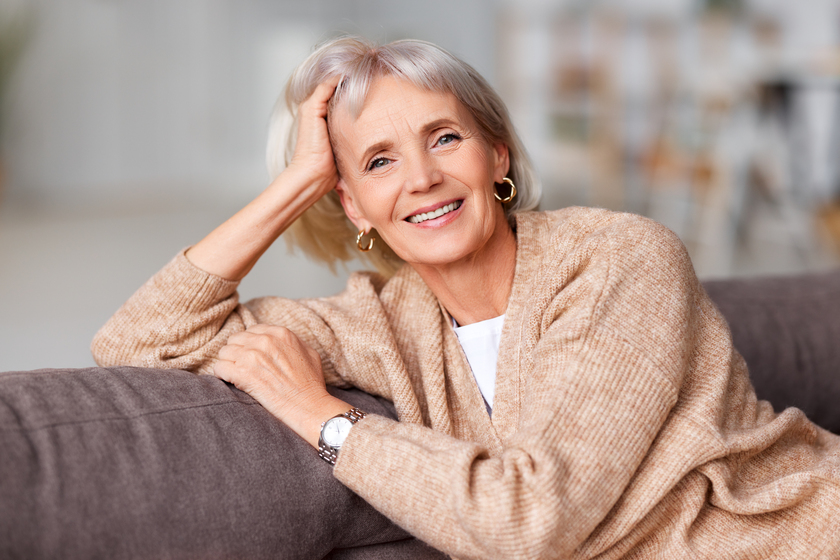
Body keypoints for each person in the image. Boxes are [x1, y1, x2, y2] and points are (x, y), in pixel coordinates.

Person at [90, 36, 840, 559]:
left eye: (444, 138)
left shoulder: (619, 258)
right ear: (352, 206)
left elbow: (532, 523)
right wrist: (297, 184)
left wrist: (324, 418)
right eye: (380, 161)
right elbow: (138, 341)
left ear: (497, 156)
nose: (421, 178)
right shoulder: (380, 321)